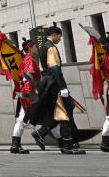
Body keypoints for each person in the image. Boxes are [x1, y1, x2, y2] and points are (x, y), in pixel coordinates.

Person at [24, 23, 85, 155]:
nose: (60, 39)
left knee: (58, 112)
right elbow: (55, 68)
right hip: (54, 82)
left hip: (46, 82)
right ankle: (67, 145)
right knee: (65, 113)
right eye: (59, 36)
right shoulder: (51, 48)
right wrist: (63, 87)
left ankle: (43, 133)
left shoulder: (41, 48)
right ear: (54, 35)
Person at [10, 38, 40, 154]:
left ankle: (15, 145)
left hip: (27, 92)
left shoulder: (27, 59)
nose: (36, 48)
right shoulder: (29, 60)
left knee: (21, 120)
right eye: (35, 46)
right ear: (30, 48)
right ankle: (64, 141)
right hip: (29, 93)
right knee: (22, 120)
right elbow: (28, 78)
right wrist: (30, 95)